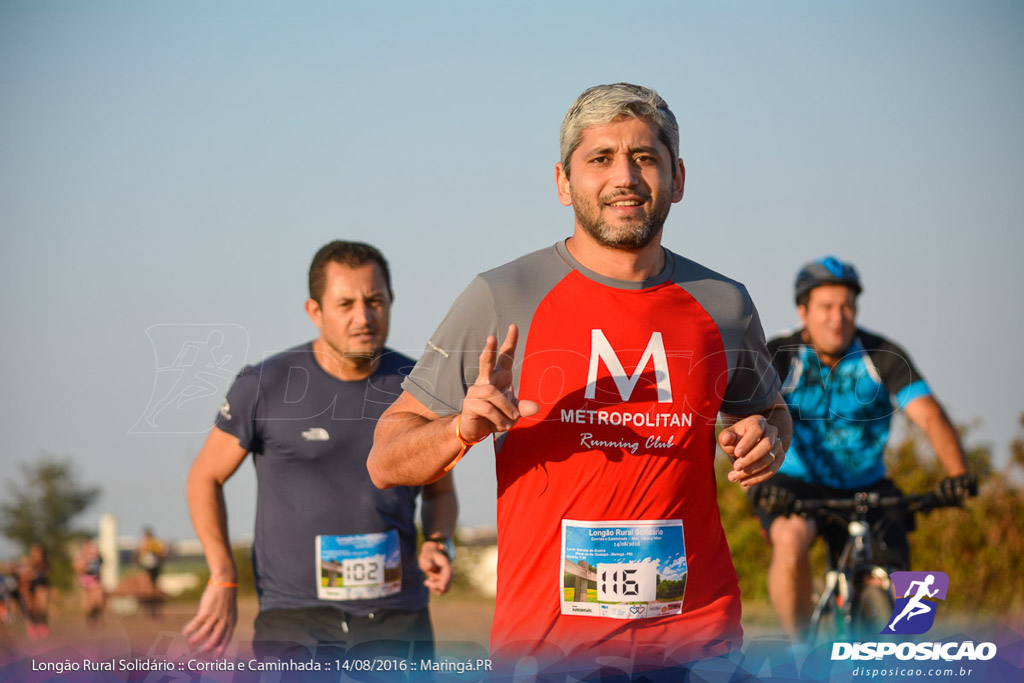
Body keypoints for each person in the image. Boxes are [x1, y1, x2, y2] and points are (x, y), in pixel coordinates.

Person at [368, 83, 791, 676]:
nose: (626, 177)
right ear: (564, 182)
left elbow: (770, 413)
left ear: (679, 177)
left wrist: (770, 436)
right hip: (549, 651)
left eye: (645, 157)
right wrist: (460, 429)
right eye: (600, 159)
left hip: (698, 641)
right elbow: (386, 457)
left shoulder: (724, 303)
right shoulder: (504, 294)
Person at [183, 241, 457, 660]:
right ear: (315, 311)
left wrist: (438, 542)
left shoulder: (419, 387)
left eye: (374, 301)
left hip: (399, 619)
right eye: (345, 304)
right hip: (295, 622)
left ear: (390, 302)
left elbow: (439, 491)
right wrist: (222, 576)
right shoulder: (265, 385)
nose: (363, 317)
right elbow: (206, 477)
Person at [752, 256, 974, 643]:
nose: (838, 317)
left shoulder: (882, 354)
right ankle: (801, 652)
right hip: (796, 483)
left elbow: (929, 415)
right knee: (789, 540)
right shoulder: (780, 354)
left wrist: (957, 475)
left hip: (867, 485)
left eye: (847, 307)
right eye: (826, 308)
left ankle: (899, 649)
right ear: (803, 310)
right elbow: (749, 424)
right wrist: (759, 484)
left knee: (902, 580)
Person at [73, 537, 106, 624]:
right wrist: (83, 565)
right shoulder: (81, 555)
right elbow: (76, 566)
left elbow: (101, 563)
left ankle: (95, 614)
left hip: (95, 578)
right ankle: (90, 617)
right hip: (86, 579)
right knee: (88, 602)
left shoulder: (96, 554)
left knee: (99, 600)